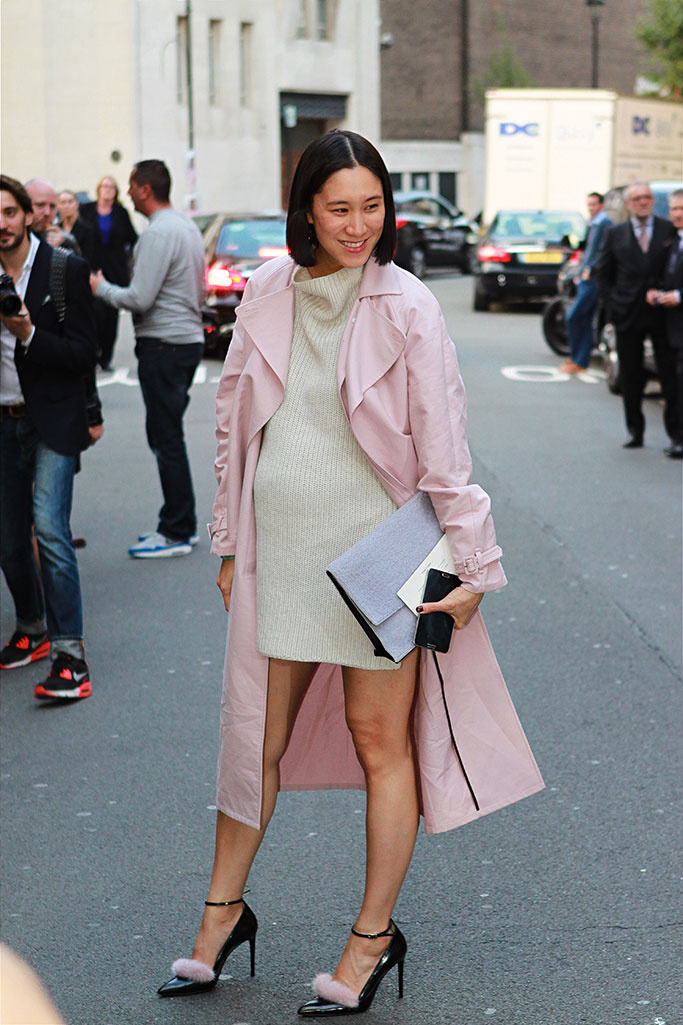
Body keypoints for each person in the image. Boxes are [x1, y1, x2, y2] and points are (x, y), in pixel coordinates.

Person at [156, 130, 543, 1016]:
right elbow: (233, 424)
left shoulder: (408, 304)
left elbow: (444, 446)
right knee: (255, 740)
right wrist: (228, 542)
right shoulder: (267, 290)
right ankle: (221, 915)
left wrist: (474, 565)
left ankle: (371, 938)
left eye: (372, 206)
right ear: (305, 210)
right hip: (281, 553)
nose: (358, 224)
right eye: (339, 208)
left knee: (381, 744)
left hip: (381, 560)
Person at [0, 175, 98, 698]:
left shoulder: (63, 269)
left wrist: (29, 334)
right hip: (2, 422)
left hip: (51, 420)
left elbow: (84, 355)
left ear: (27, 215)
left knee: (50, 530)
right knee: (8, 539)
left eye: (9, 212)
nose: (1, 224)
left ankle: (69, 656)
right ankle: (32, 628)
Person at [90, 160, 205, 558]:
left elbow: (139, 297)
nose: (127, 193)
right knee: (167, 435)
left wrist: (100, 287)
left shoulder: (159, 232)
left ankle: (177, 530)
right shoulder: (186, 226)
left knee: (166, 438)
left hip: (164, 344)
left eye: (130, 186)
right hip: (182, 341)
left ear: (144, 189)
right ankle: (178, 523)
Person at [595, 181, 677, 449]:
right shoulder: (615, 233)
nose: (643, 202)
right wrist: (615, 303)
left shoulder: (668, 229)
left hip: (662, 314)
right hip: (627, 314)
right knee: (630, 376)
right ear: (629, 204)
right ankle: (635, 431)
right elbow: (603, 275)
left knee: (669, 374)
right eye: (638, 198)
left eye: (647, 197)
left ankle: (676, 435)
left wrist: (665, 291)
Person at [80, 176, 137, 370]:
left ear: (116, 191)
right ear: (98, 189)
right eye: (105, 186)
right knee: (95, 313)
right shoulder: (87, 210)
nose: (108, 190)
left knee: (111, 317)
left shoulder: (121, 213)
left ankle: (106, 357)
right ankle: (93, 351)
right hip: (92, 269)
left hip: (115, 271)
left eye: (111, 187)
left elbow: (132, 238)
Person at [646, 188, 683, 459]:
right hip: (667, 326)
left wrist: (680, 296)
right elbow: (660, 274)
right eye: (674, 209)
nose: (677, 214)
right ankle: (675, 436)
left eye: (682, 209)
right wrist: (654, 290)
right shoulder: (671, 240)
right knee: (670, 384)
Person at [559, 191, 612, 374]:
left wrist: (590, 270)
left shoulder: (605, 225)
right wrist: (580, 271)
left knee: (574, 317)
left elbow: (603, 252)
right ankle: (578, 359)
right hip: (584, 278)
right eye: (589, 205)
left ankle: (579, 360)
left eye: (594, 204)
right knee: (584, 319)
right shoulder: (594, 223)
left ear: (602, 205)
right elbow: (588, 250)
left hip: (593, 281)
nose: (591, 208)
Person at [56, 189, 95, 267]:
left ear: (76, 205)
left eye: (70, 202)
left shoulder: (87, 229)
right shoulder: (56, 229)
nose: (66, 206)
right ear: (58, 206)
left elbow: (90, 257)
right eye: (63, 202)